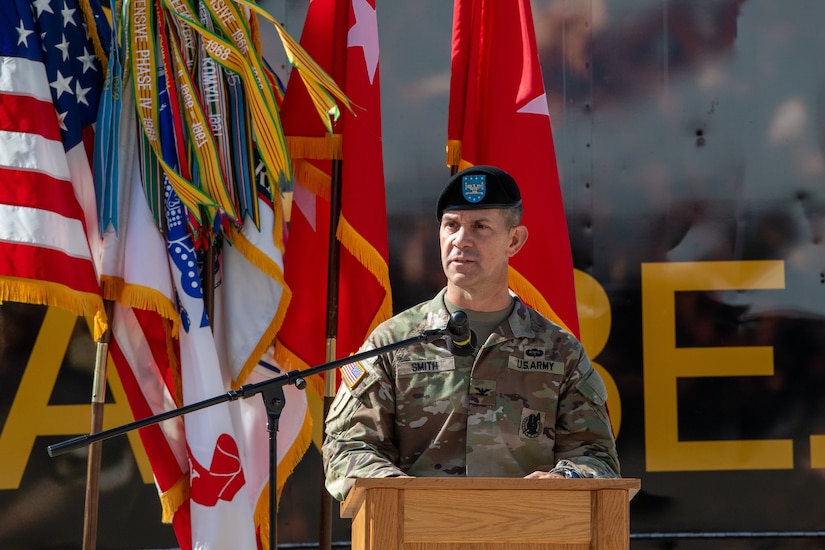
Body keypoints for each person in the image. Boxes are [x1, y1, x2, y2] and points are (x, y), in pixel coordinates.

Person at [322, 165, 619, 501]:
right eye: (452, 225)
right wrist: (403, 494)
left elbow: (596, 457)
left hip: (525, 531)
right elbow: (348, 447)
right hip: (418, 532)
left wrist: (561, 481)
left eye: (480, 227)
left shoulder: (558, 351)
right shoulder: (393, 344)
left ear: (514, 240)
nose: (461, 240)